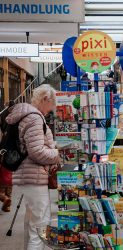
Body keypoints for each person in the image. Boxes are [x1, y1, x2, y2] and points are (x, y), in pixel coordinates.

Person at [6, 84, 60, 250]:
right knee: (41, 226)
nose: (51, 110)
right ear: (45, 99)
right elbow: (36, 152)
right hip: (33, 178)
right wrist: (57, 153)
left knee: (32, 223)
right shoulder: (35, 118)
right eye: (52, 105)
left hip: (26, 176)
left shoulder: (26, 115)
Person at [0, 100, 15, 212]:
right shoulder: (16, 125)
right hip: (12, 156)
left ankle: (4, 197)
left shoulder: (4, 115)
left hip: (4, 153)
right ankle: (8, 204)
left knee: (2, 178)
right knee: (9, 178)